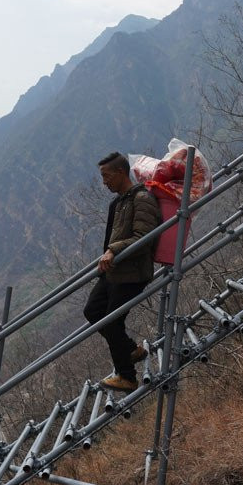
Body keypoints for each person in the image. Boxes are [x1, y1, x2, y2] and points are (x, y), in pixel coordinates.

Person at [83, 152, 160, 392]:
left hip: (133, 272)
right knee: (93, 311)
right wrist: (108, 255)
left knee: (112, 322)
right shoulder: (117, 203)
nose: (104, 182)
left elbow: (144, 238)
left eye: (106, 176)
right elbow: (109, 241)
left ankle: (127, 376)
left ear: (120, 172)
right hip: (115, 271)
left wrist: (114, 251)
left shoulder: (142, 199)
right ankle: (130, 349)